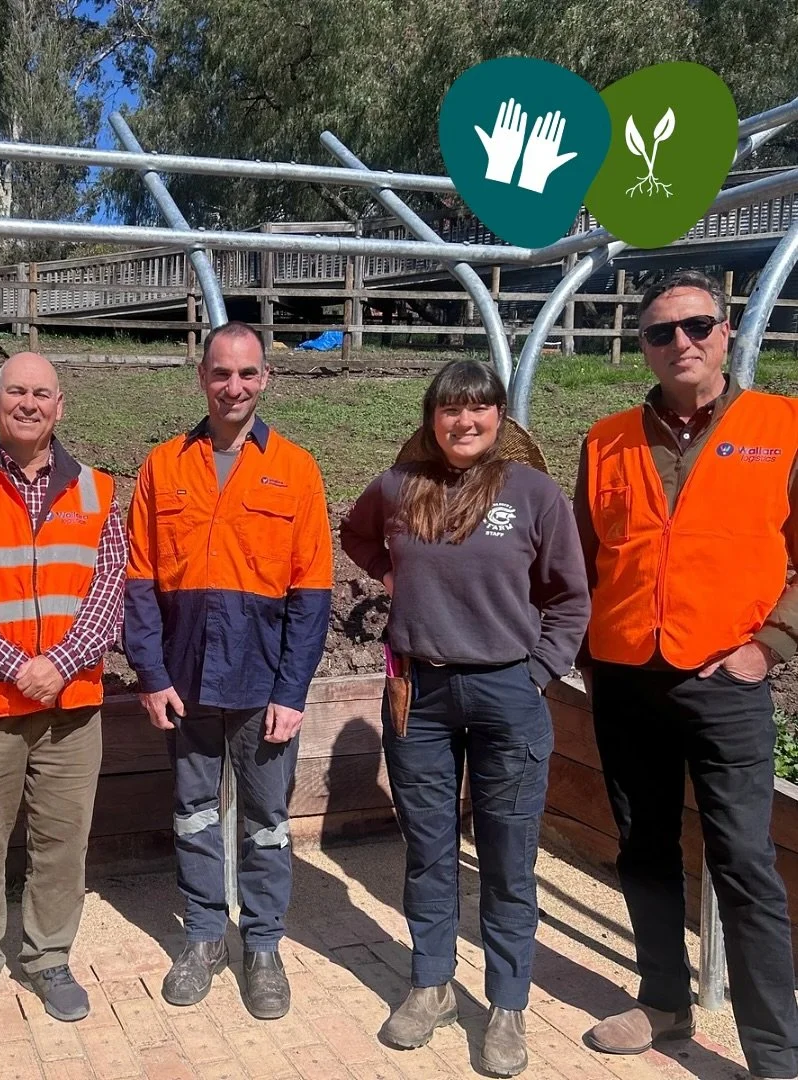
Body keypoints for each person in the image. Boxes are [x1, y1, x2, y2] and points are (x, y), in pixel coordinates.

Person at [576, 269, 798, 1080]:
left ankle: (776, 1054)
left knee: (743, 863)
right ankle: (664, 1002)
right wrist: (586, 655)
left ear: (728, 331)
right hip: (628, 676)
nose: (682, 343)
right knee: (644, 846)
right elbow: (584, 559)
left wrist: (768, 647)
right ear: (642, 345)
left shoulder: (786, 427)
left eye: (697, 325)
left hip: (726, 681)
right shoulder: (605, 440)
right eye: (661, 332)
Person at [341, 358, 589, 1077]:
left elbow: (571, 595)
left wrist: (538, 671)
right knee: (428, 851)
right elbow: (357, 535)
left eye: (479, 408)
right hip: (418, 696)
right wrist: (397, 577)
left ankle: (508, 1004)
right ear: (432, 418)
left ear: (499, 417)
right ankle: (431, 985)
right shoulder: (399, 487)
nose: (464, 421)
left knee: (510, 859)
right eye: (450, 409)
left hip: (506, 694)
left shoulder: (533, 493)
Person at [124, 320, 333, 1021]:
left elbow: (311, 595)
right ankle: (206, 937)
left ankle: (264, 945)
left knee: (269, 822)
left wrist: (292, 690)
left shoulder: (297, 470)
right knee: (193, 814)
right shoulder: (162, 466)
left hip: (263, 685)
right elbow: (140, 581)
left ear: (266, 378)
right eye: (221, 372)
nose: (233, 386)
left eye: (247, 373)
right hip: (184, 682)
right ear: (201, 375)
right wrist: (151, 675)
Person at [0, 351, 125, 1034]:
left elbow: (108, 592)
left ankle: (49, 958)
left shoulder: (97, 491)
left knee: (63, 843)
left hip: (70, 710)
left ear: (60, 406)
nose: (29, 404)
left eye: (42, 393)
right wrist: (16, 666)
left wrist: (61, 663)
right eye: (17, 392)